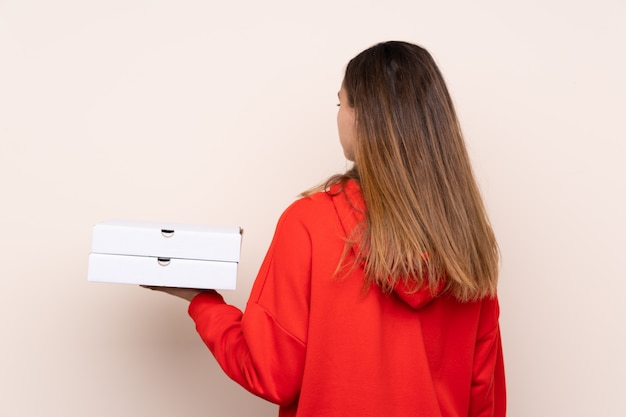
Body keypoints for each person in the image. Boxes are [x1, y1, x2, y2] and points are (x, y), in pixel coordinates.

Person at [148, 40, 506, 417]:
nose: (339, 116)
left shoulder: (308, 223)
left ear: (364, 115)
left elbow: (271, 374)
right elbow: (484, 401)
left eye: (342, 103)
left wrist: (202, 301)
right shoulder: (467, 243)